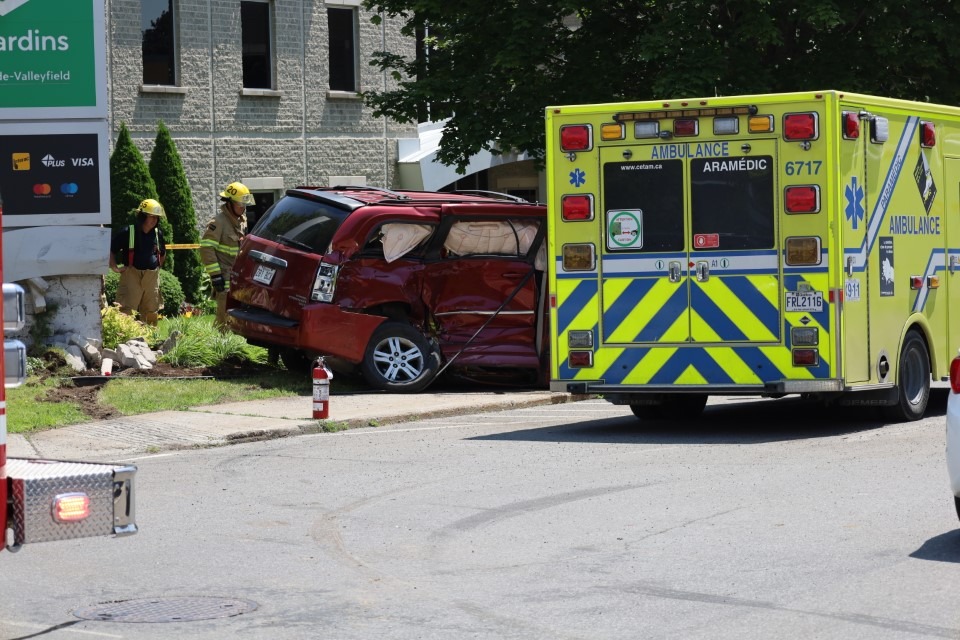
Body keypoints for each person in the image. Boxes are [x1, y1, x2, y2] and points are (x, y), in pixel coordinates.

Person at [200, 181, 254, 330]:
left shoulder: (241, 221)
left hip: (237, 276)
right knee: (223, 316)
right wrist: (215, 275)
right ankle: (218, 347)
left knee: (236, 316)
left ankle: (232, 346)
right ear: (229, 203)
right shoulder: (218, 222)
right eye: (239, 204)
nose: (243, 208)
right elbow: (206, 248)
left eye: (245, 204)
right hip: (223, 277)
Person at [109, 198, 168, 326]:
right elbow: (110, 250)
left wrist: (157, 268)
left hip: (151, 277)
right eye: (152, 217)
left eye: (157, 218)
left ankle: (150, 341)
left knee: (151, 310)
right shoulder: (127, 232)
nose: (154, 221)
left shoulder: (158, 234)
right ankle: (125, 339)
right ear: (142, 216)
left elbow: (163, 253)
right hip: (132, 275)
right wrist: (114, 267)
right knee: (126, 310)